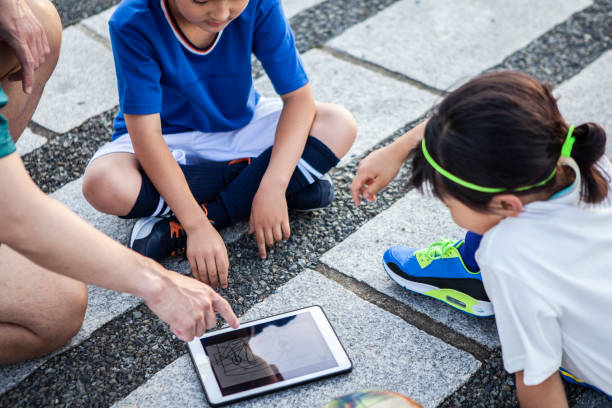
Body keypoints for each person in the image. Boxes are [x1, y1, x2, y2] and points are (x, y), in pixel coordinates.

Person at [0, 0, 238, 365]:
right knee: (58, 306)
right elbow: (21, 215)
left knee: (38, 23)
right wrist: (157, 283)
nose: (220, 14)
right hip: (15, 210)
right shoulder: (135, 21)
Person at [352, 71, 612, 406]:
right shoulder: (586, 162)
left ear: (507, 204)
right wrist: (399, 149)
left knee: (542, 342)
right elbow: (498, 120)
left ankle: (474, 278)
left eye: (448, 202)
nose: (449, 211)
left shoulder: (507, 255)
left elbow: (538, 381)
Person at [81, 0, 357, 289]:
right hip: (166, 138)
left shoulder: (260, 3)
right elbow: (147, 136)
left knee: (338, 123)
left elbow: (299, 99)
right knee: (104, 183)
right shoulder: (132, 21)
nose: (222, 13)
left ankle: (214, 213)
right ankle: (284, 185)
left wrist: (273, 187)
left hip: (241, 127)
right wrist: (195, 225)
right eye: (201, 0)